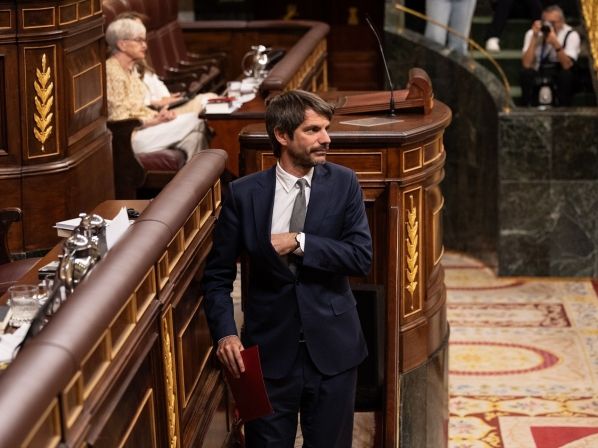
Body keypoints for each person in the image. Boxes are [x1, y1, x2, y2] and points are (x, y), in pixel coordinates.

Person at [201, 90, 372, 447]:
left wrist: (299, 240)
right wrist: (226, 334)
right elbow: (217, 276)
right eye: (313, 130)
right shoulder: (244, 194)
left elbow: (360, 257)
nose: (326, 139)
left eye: (326, 129)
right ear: (282, 135)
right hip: (268, 355)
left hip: (334, 351)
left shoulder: (344, 183)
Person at [105, 17, 209, 161]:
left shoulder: (131, 69)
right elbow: (119, 119)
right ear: (122, 44)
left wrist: (159, 116)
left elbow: (138, 108)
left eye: (144, 40)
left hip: (146, 130)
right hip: (131, 139)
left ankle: (197, 176)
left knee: (195, 138)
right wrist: (154, 121)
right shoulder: (112, 72)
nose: (144, 45)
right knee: (198, 119)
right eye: (139, 40)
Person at [520, 5, 580, 107]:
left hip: (559, 70)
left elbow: (567, 65)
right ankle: (527, 106)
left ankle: (564, 108)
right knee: (526, 73)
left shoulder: (571, 35)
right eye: (546, 22)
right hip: (539, 69)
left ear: (562, 22)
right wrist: (534, 38)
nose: (549, 26)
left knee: (567, 75)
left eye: (553, 22)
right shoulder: (532, 33)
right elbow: (526, 64)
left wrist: (555, 43)